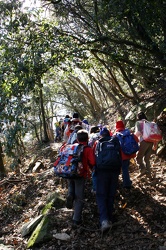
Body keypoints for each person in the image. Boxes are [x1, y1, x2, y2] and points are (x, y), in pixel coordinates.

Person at [66, 129, 96, 227]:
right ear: (87, 138)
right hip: (80, 174)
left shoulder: (71, 146)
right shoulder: (87, 149)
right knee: (79, 197)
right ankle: (76, 219)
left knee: (71, 185)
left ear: (77, 139)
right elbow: (92, 162)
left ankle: (70, 194)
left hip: (69, 172)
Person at [95, 127, 121, 233]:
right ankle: (109, 219)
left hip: (102, 171)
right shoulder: (115, 141)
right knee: (111, 194)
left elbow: (93, 158)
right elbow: (121, 156)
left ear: (101, 135)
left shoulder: (99, 143)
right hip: (114, 171)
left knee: (101, 195)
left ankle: (104, 221)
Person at [115, 120, 139, 190]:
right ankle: (127, 182)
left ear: (116, 126)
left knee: (118, 170)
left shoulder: (116, 135)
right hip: (128, 154)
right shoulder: (129, 132)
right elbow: (137, 140)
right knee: (125, 169)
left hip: (119, 155)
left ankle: (124, 184)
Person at [134, 111, 154, 179]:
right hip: (151, 141)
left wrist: (133, 137)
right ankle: (149, 173)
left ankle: (142, 170)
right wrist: (155, 144)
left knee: (138, 157)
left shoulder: (139, 123)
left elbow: (138, 132)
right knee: (147, 158)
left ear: (138, 117)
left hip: (144, 141)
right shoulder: (149, 123)